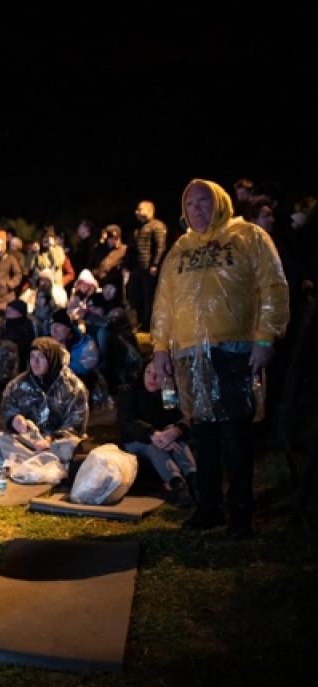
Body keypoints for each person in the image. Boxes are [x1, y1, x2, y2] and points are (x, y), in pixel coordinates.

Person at [150, 179, 289, 539]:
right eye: (191, 203)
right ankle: (209, 507)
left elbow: (272, 285)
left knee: (235, 434)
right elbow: (164, 303)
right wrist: (161, 348)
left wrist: (265, 336)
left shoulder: (248, 236)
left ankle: (240, 511)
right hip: (190, 355)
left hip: (235, 351)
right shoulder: (180, 249)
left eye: (204, 201)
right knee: (203, 434)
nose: (197, 209)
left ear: (221, 204)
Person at [0, 337, 89, 469]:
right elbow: (8, 409)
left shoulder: (73, 386)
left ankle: (20, 460)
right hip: (30, 441)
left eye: (41, 357)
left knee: (70, 446)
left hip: (56, 443)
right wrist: (14, 420)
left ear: (52, 359)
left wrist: (50, 439)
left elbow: (76, 424)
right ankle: (48, 463)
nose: (35, 362)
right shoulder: (18, 384)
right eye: (32, 357)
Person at [117, 359, 196, 507]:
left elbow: (183, 417)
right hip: (137, 440)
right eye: (148, 372)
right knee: (154, 447)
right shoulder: (130, 391)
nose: (152, 378)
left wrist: (175, 431)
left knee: (179, 443)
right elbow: (128, 421)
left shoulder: (169, 392)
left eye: (157, 374)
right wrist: (153, 434)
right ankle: (177, 484)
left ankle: (194, 479)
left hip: (165, 437)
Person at [127, 200, 169, 332]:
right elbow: (131, 249)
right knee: (134, 296)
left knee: (149, 297)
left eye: (140, 209)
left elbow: (160, 246)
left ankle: (148, 324)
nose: (137, 212)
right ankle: (137, 323)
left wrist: (155, 264)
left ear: (150, 210)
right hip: (137, 268)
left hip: (148, 269)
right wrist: (127, 265)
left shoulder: (157, 226)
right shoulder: (137, 228)